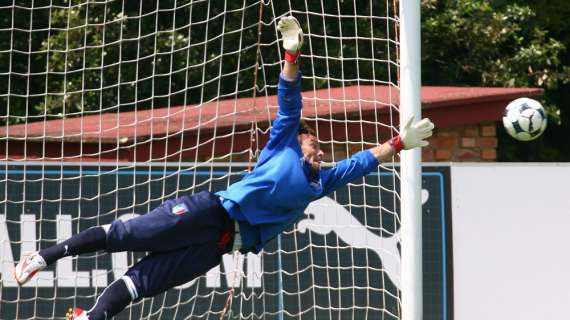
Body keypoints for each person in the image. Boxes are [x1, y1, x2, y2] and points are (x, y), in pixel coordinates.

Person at [14, 17, 434, 320]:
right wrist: (291, 53)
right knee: (126, 235)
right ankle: (42, 257)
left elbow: (361, 163)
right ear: (299, 139)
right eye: (316, 142)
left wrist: (399, 143)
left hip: (217, 247)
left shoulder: (320, 182)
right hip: (209, 211)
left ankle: (92, 318)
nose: (321, 150)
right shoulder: (282, 143)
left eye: (321, 148)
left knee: (143, 282)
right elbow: (290, 99)